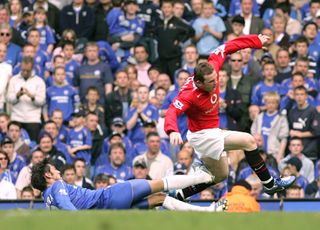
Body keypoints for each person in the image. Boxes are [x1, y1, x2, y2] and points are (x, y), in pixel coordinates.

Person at [164, 34, 295, 201]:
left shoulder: (212, 66)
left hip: (212, 132)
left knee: (220, 175)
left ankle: (180, 195)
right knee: (249, 141)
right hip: (202, 136)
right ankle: (270, 184)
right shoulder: (189, 95)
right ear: (198, 83)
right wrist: (172, 130)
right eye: (211, 82)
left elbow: (227, 47)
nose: (215, 83)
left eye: (215, 79)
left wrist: (255, 41)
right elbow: (171, 111)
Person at [31, 158, 227, 211]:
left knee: (159, 199)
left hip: (106, 209)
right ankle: (202, 177)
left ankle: (209, 212)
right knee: (160, 184)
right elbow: (69, 211)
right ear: (48, 176)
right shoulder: (57, 187)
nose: (57, 170)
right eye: (53, 169)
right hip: (110, 196)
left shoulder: (46, 199)